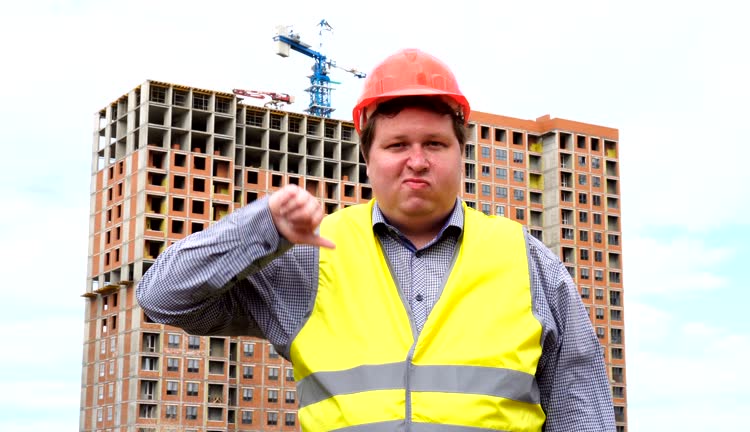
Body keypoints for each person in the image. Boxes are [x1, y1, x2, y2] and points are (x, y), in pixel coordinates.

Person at [137, 48, 616, 431]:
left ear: (460, 153)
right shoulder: (310, 258)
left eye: (434, 143)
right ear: (368, 157)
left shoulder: (526, 259)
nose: (417, 160)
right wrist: (264, 227)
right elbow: (162, 297)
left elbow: (581, 408)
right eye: (397, 145)